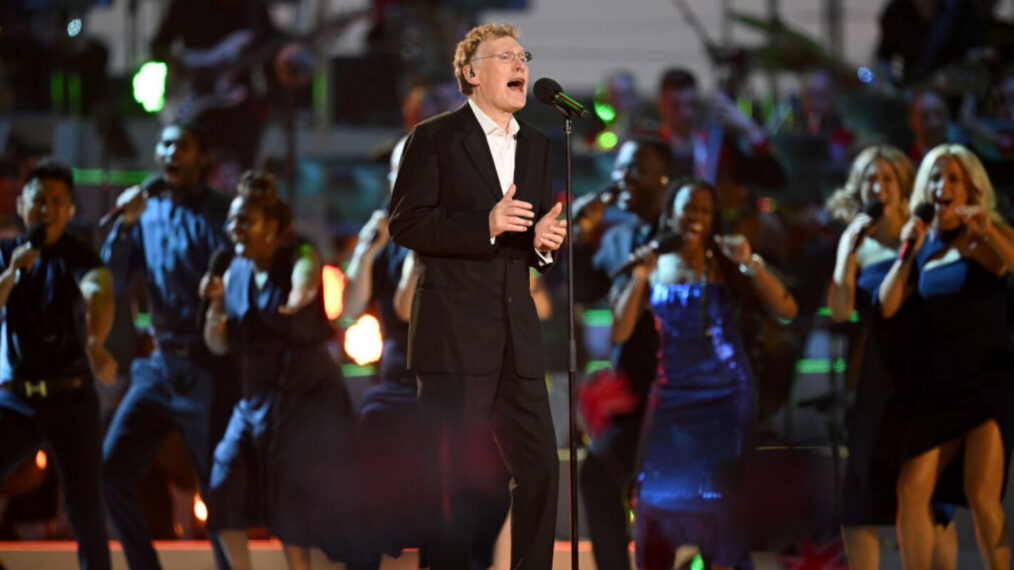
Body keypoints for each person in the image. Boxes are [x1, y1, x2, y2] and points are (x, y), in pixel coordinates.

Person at [388, 23, 567, 570]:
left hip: (516, 336)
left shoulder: (539, 144)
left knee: (541, 469)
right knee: (449, 483)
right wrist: (484, 225)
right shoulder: (435, 137)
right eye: (504, 56)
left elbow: (526, 239)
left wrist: (540, 245)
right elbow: (407, 224)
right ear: (471, 73)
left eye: (523, 56)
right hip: (453, 338)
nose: (519, 65)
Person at [613, 180, 797, 570]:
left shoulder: (725, 261)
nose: (695, 217)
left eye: (704, 211)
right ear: (671, 214)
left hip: (726, 393)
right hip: (672, 396)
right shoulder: (653, 262)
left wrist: (750, 262)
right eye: (687, 208)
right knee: (653, 494)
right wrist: (640, 277)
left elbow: (787, 310)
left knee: (722, 498)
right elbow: (620, 331)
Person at [200, 171, 357, 570]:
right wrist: (216, 307)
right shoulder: (232, 270)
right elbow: (217, 344)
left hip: (305, 396)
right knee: (224, 476)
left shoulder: (297, 255)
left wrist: (302, 292)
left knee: (290, 495)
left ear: (272, 228)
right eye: (232, 221)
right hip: (255, 397)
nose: (234, 229)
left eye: (244, 221)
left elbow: (307, 273)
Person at [101, 121, 235, 570]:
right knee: (112, 471)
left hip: (208, 366)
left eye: (183, 145)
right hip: (160, 364)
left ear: (200, 157)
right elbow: (113, 279)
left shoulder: (221, 211)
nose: (172, 152)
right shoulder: (147, 210)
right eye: (165, 144)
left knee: (216, 488)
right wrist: (125, 227)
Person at [880, 144, 1014, 569]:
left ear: (972, 186)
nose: (944, 186)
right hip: (934, 387)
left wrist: (986, 230)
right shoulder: (919, 239)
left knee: (981, 497)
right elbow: (886, 306)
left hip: (985, 382)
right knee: (911, 490)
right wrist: (907, 252)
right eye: (937, 177)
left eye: (955, 178)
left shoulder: (989, 234)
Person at [825, 146, 957, 570]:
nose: (878, 188)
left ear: (902, 189)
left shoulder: (924, 235)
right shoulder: (857, 245)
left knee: (928, 501)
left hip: (919, 377)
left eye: (887, 180)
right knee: (859, 501)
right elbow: (842, 309)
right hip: (873, 376)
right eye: (869, 180)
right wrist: (847, 249)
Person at [0, 158, 115, 570]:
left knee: (85, 509)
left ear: (69, 210)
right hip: (17, 400)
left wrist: (97, 343)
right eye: (38, 200)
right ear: (20, 205)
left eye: (56, 200)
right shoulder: (6, 254)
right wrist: (11, 274)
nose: (46, 208)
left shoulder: (79, 255)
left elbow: (98, 290)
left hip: (71, 399)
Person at [572, 136, 672, 570]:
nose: (621, 178)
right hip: (632, 397)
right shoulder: (617, 238)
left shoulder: (683, 231)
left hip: (681, 394)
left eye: (636, 169)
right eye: (620, 168)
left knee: (660, 493)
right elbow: (580, 291)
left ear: (662, 178)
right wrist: (580, 235)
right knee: (596, 473)